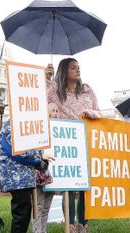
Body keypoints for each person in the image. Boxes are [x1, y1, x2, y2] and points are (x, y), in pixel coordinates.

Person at [45, 58, 101, 233]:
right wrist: (46, 77)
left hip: (85, 142)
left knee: (84, 186)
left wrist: (90, 113)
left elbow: (99, 111)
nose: (78, 70)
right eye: (73, 67)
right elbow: (41, 103)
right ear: (64, 71)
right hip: (65, 143)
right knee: (68, 186)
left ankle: (83, 225)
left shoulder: (87, 90)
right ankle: (70, 225)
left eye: (79, 67)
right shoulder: (55, 90)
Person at [0, 120, 55, 233]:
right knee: (21, 214)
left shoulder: (19, 125)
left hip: (21, 178)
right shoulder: (12, 125)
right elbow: (17, 150)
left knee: (24, 213)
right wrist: (40, 156)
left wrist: (40, 163)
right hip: (16, 177)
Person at [32, 102, 59, 233]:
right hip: (41, 172)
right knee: (39, 206)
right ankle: (37, 231)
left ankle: (43, 231)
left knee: (46, 208)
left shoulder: (61, 131)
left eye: (57, 111)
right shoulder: (39, 129)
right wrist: (41, 156)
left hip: (55, 174)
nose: (56, 113)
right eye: (53, 111)